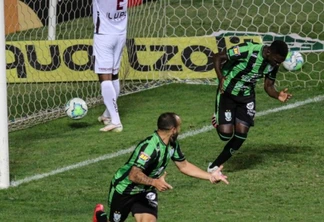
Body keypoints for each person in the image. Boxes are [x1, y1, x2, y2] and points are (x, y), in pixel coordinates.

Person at [93, 112, 229, 222]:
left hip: (146, 190)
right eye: (179, 127)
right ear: (173, 129)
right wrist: (154, 182)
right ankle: (99, 216)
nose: (180, 130)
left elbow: (184, 166)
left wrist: (210, 176)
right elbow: (133, 175)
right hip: (125, 190)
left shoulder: (172, 144)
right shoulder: (150, 147)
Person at [208, 40, 292, 173]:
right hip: (227, 93)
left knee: (241, 133)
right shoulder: (247, 50)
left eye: (280, 62)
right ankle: (217, 118)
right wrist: (220, 78)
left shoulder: (272, 64)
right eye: (277, 60)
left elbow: (268, 86)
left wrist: (277, 95)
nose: (278, 64)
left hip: (246, 97)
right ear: (269, 52)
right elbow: (217, 57)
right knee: (225, 135)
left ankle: (215, 165)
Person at [92, 0, 128, 132]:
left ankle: (116, 121)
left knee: (105, 78)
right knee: (114, 76)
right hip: (120, 34)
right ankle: (107, 115)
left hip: (104, 35)